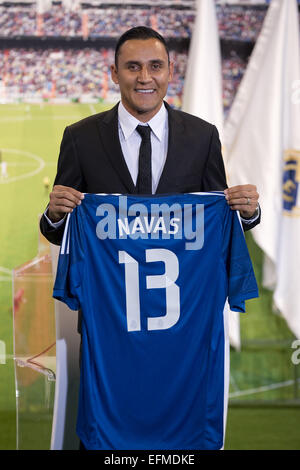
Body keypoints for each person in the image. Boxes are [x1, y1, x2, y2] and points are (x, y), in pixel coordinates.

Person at [40, 26, 260, 243]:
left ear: (170, 71)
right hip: (109, 279)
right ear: (115, 73)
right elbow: (60, 233)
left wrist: (247, 212)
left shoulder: (203, 136)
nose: (145, 77)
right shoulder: (80, 138)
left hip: (182, 279)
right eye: (133, 67)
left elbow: (217, 221)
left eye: (155, 66)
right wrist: (55, 216)